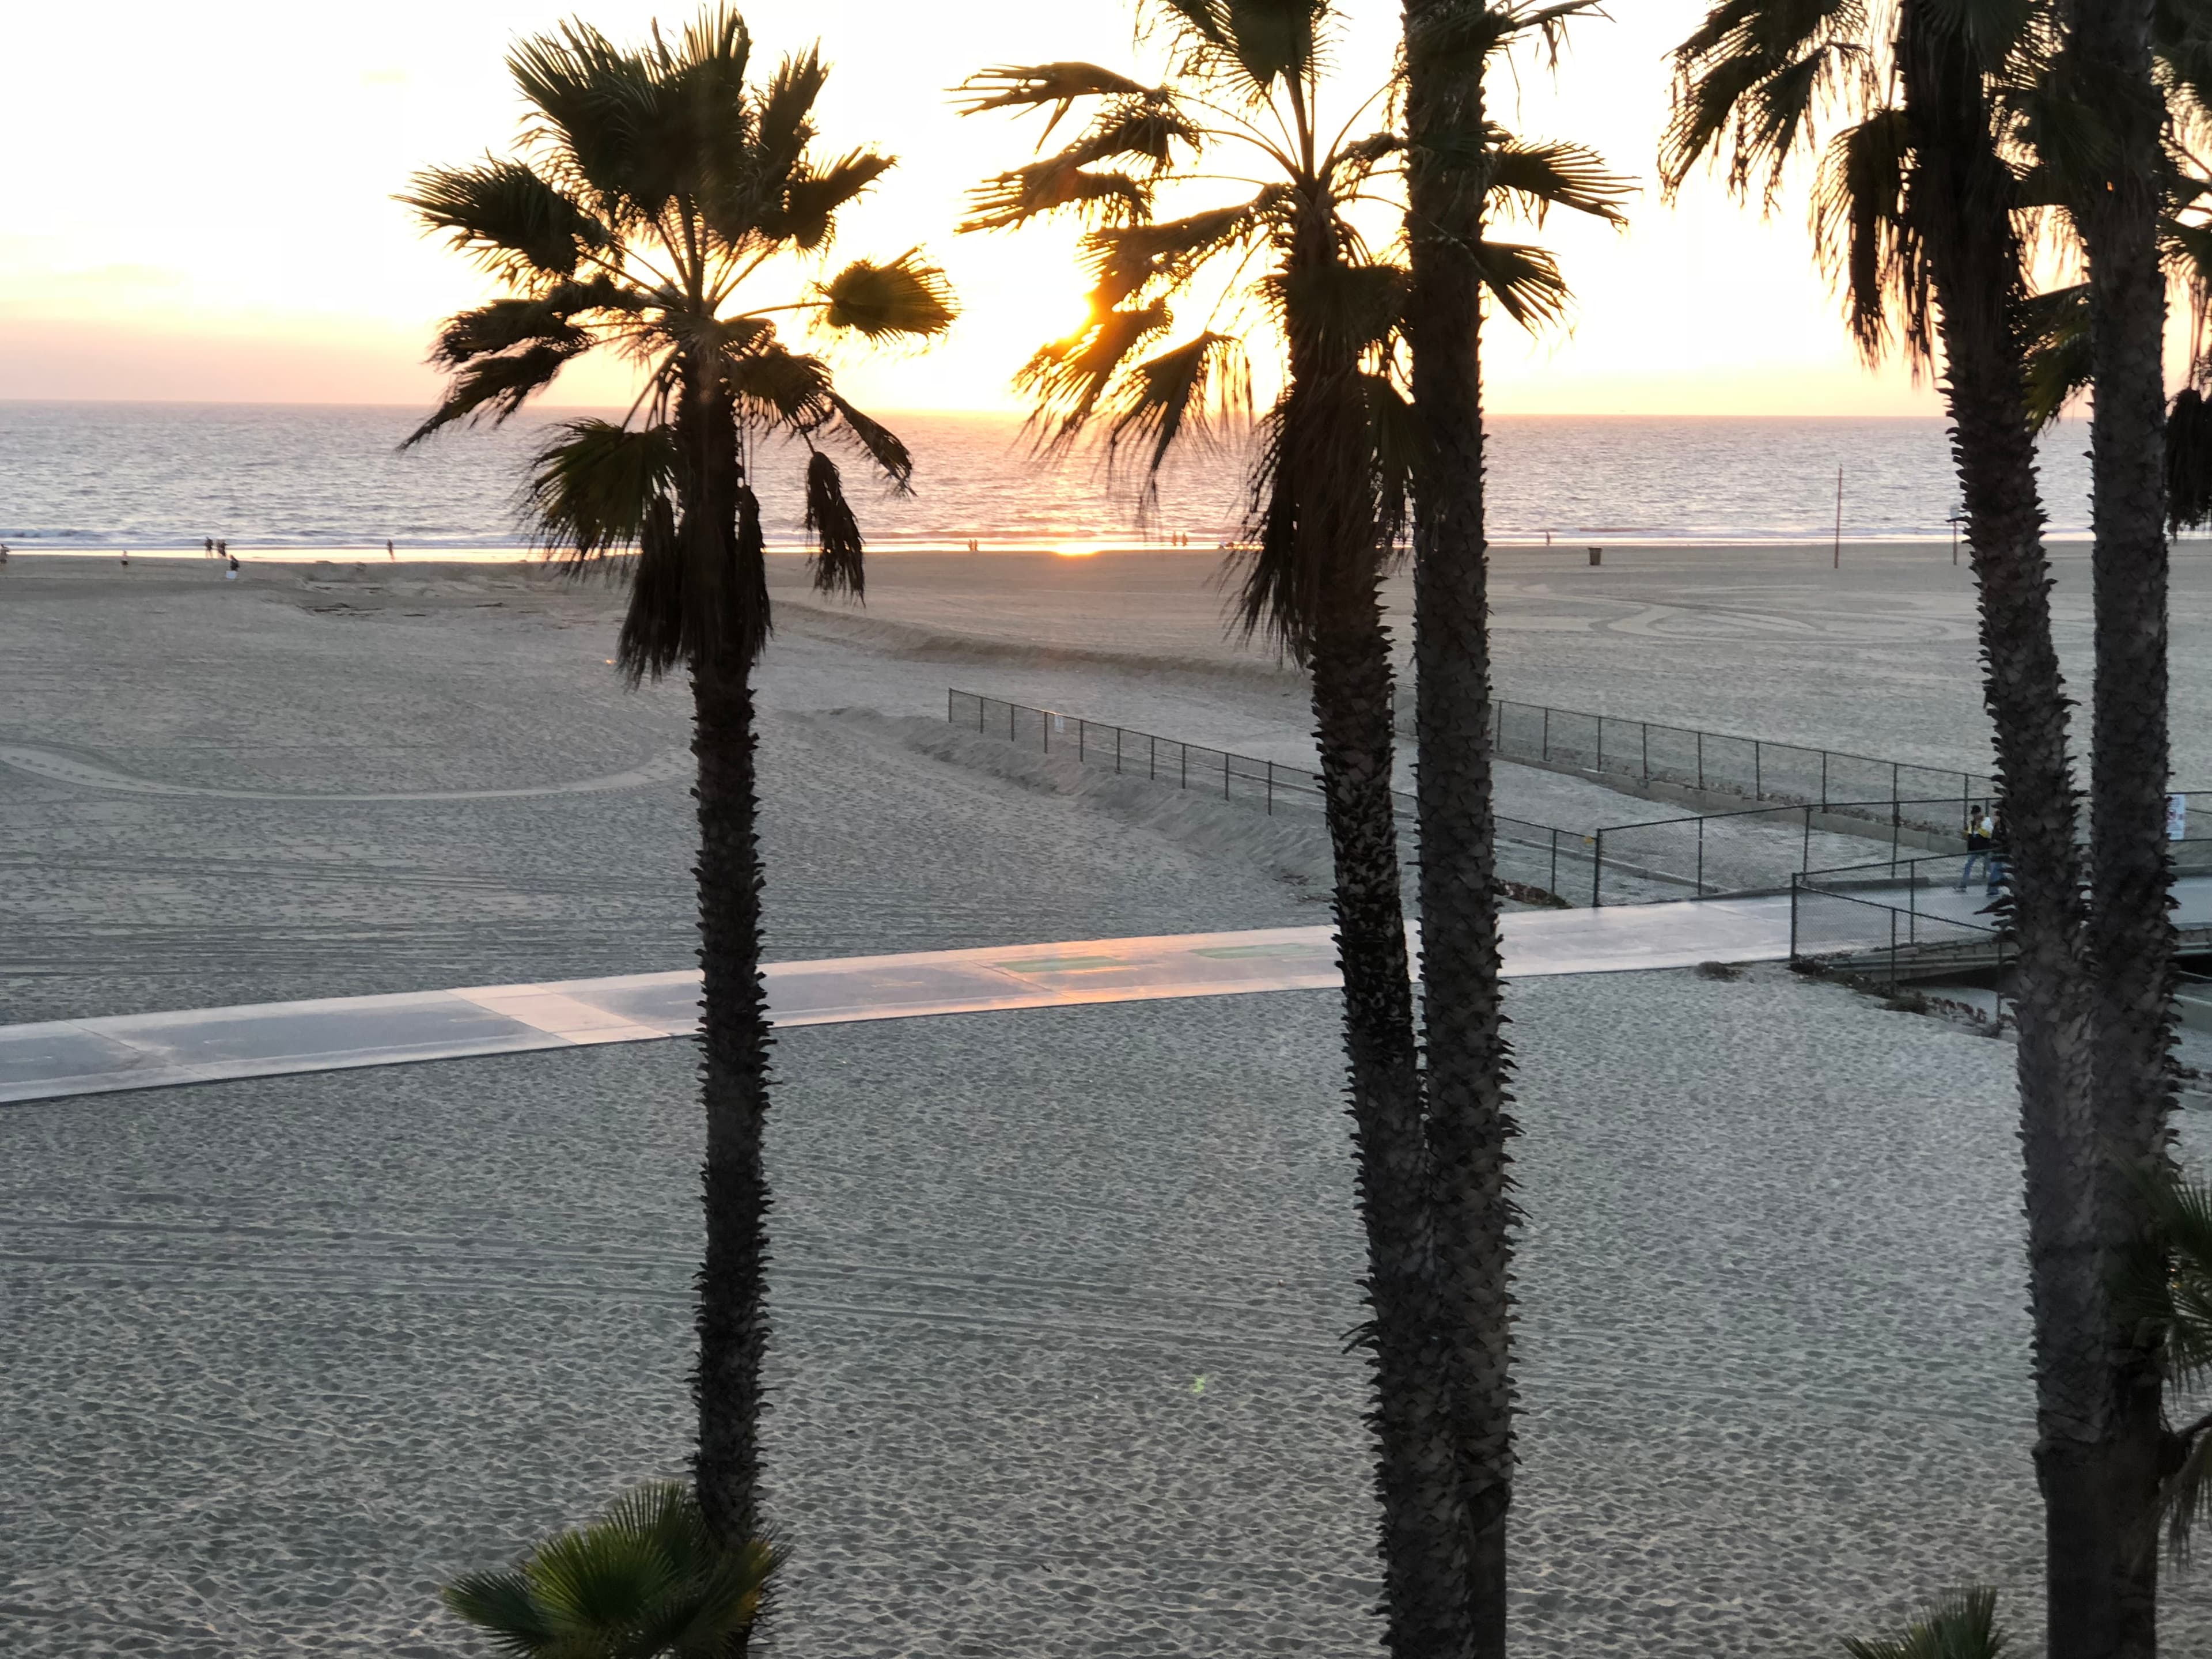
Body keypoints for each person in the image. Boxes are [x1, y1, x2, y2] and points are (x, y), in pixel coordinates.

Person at [1957, 805, 1993, 891]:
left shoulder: (1987, 821)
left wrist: (1979, 828)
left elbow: (1988, 834)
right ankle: (1963, 885)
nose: (1975, 816)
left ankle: (1996, 884)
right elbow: (1970, 833)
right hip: (1974, 849)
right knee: (1968, 866)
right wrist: (1964, 833)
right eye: (1974, 815)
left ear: (1980, 813)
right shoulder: (1972, 823)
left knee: (1989, 867)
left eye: (1976, 814)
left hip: (1984, 848)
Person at [1982, 804, 2009, 897]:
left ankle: (1993, 890)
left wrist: (1998, 841)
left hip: (2000, 852)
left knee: (1995, 871)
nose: (1995, 818)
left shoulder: (2004, 828)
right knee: (1996, 870)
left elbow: (2006, 839)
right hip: (1994, 851)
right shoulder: (1995, 827)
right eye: (1994, 816)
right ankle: (2005, 883)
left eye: (1996, 816)